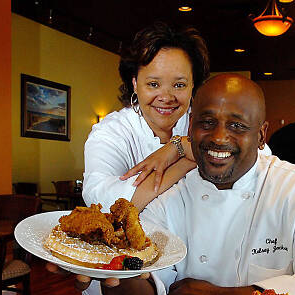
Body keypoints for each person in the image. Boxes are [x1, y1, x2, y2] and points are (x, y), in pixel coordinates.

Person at [77, 74, 295, 295]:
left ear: (262, 135)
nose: (219, 137)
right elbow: (151, 285)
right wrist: (115, 274)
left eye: (237, 126)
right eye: (207, 122)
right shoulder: (171, 199)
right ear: (190, 127)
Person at [82, 22, 209, 211]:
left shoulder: (207, 121)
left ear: (193, 86)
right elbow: (102, 202)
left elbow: (255, 161)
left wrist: (181, 145)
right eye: (153, 84)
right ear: (134, 83)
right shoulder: (111, 131)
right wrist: (187, 157)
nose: (166, 97)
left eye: (179, 85)